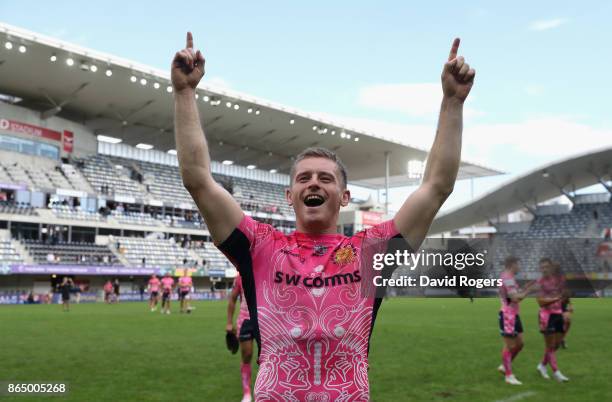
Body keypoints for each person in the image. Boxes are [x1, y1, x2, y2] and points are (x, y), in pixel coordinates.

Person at [173, 32, 474, 400]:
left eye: (325, 178)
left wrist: (452, 102)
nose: (313, 182)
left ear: (344, 196)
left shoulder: (372, 252)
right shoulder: (259, 247)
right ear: (290, 195)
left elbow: (436, 186)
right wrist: (185, 94)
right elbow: (199, 181)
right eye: (304, 177)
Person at [496, 257, 534, 385]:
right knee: (510, 345)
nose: (519, 267)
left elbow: (515, 294)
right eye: (518, 264)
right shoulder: (507, 278)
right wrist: (529, 291)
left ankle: (504, 366)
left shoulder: (508, 278)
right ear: (512, 264)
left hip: (513, 315)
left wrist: (524, 288)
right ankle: (508, 376)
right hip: (508, 315)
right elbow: (515, 299)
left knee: (520, 344)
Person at [536, 258, 570, 382]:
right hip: (546, 316)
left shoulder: (558, 280)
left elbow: (564, 295)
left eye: (546, 267)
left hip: (558, 314)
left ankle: (542, 366)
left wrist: (566, 308)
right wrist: (556, 299)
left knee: (555, 345)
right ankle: (556, 372)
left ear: (551, 267)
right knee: (550, 345)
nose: (544, 269)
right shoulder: (540, 282)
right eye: (542, 267)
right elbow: (540, 301)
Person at [227, 275, 256, 402]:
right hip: (245, 320)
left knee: (268, 358)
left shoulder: (267, 269)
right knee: (247, 355)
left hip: (265, 320)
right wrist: (229, 322)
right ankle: (247, 393)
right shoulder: (240, 277)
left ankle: (267, 390)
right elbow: (232, 299)